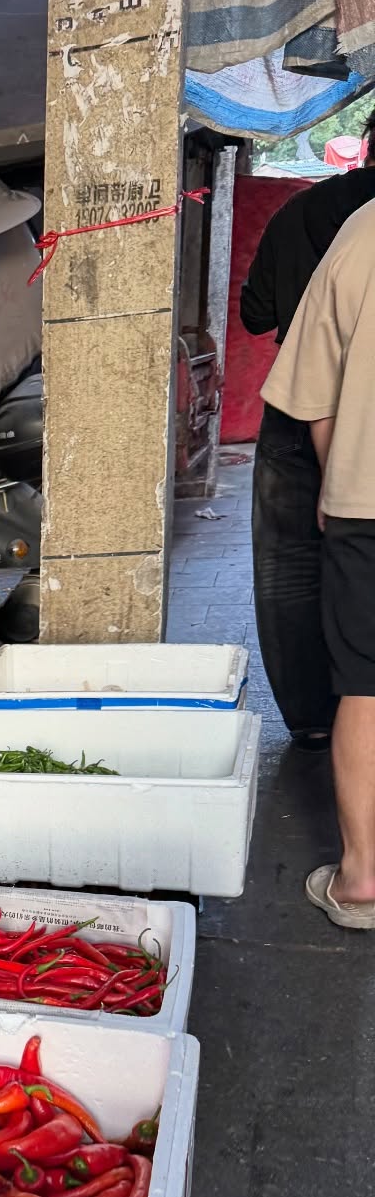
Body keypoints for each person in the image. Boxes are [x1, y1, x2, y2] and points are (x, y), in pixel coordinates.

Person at [239, 126, 375, 746]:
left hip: (298, 406)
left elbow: (256, 312)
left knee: (290, 562)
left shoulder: (301, 212)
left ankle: (315, 720)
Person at [261, 197, 375, 926]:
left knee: (366, 684)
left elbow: (311, 386)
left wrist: (336, 480)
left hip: (370, 494)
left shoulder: (364, 231)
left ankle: (363, 881)